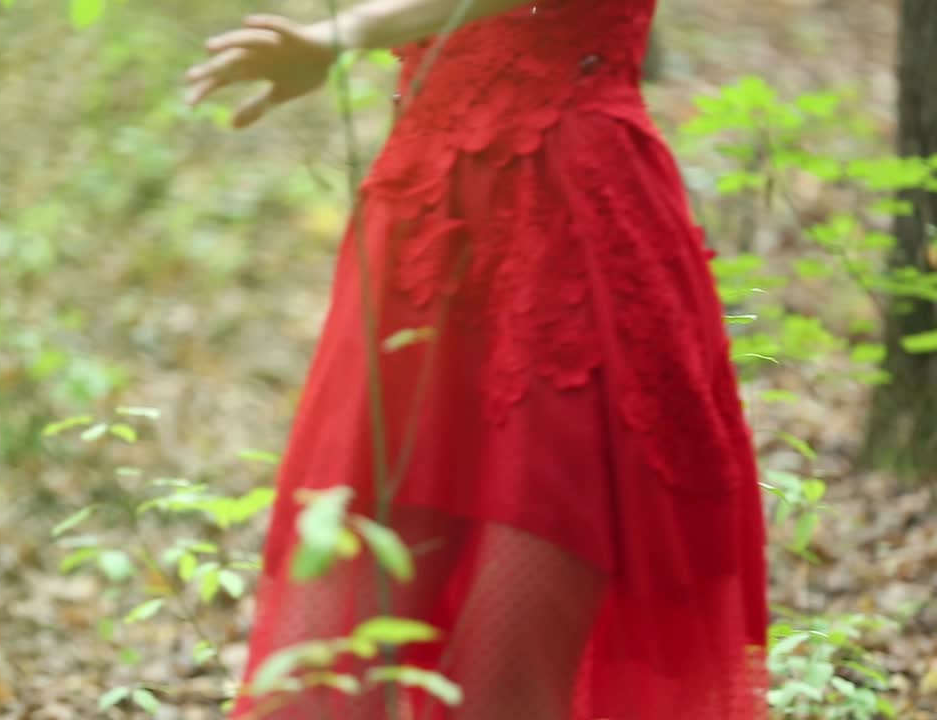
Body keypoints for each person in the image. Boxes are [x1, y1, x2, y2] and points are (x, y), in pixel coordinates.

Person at [185, 1, 769, 718]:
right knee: (323, 668)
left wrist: (345, 33)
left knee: (506, 669)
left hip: (568, 237)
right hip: (426, 219)